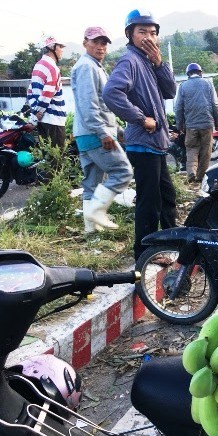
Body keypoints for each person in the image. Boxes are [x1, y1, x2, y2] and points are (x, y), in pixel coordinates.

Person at [103, 9, 178, 261]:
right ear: (130, 34)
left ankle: (172, 242)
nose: (149, 37)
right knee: (150, 202)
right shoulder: (130, 61)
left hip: (156, 143)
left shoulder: (148, 61)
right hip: (142, 143)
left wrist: (160, 63)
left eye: (153, 33)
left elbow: (170, 91)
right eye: (142, 32)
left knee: (167, 197)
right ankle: (145, 252)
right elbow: (112, 93)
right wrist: (140, 117)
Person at [71, 26, 133, 234]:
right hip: (94, 133)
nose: (100, 46)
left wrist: (118, 130)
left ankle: (91, 230)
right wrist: (103, 132)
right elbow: (89, 106)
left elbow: (100, 105)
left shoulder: (93, 66)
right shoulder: (87, 67)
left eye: (104, 42)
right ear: (85, 43)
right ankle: (97, 211)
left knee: (92, 182)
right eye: (95, 42)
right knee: (123, 171)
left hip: (87, 133)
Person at [174, 62, 218, 184]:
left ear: (188, 74)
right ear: (200, 73)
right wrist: (217, 122)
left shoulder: (183, 86)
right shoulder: (208, 84)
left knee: (191, 149)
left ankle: (191, 172)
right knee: (206, 150)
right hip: (207, 124)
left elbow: (178, 107)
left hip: (191, 125)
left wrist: (180, 125)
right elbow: (215, 105)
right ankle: (200, 177)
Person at [27, 36, 67, 148]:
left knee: (47, 158)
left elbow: (30, 92)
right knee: (57, 162)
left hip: (42, 121)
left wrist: (34, 115)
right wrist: (35, 117)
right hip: (54, 121)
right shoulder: (52, 68)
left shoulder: (38, 66)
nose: (62, 50)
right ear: (51, 47)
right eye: (60, 46)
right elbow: (47, 95)